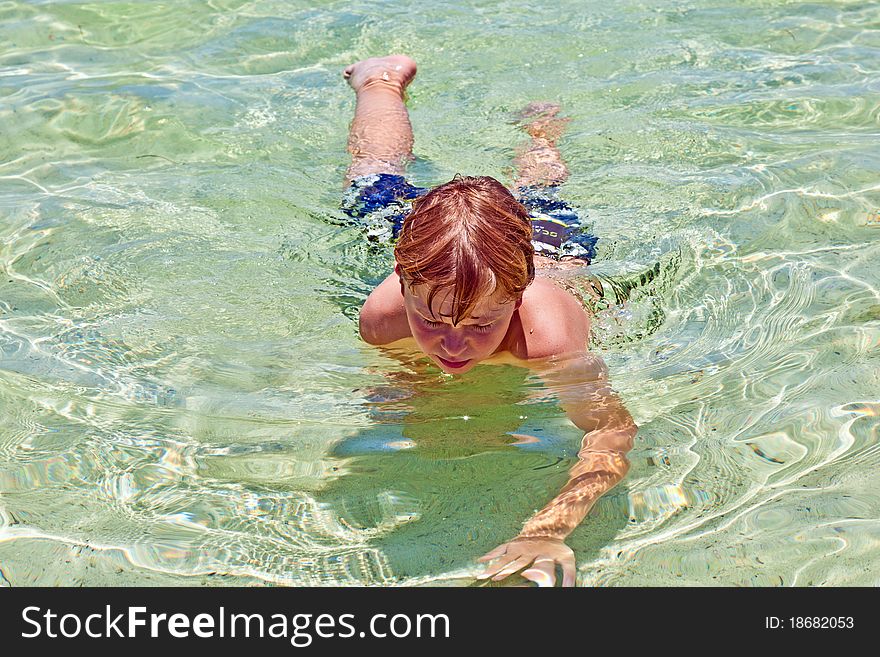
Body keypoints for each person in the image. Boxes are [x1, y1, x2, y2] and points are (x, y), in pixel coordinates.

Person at [341, 55, 637, 587]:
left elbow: (612, 430)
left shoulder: (547, 341)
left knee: (542, 193)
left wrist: (550, 529)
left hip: (548, 246)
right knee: (372, 179)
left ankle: (541, 130)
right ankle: (378, 80)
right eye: (431, 319)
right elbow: (403, 377)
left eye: (481, 325)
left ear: (519, 294)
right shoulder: (383, 319)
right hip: (437, 250)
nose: (453, 345)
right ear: (402, 281)